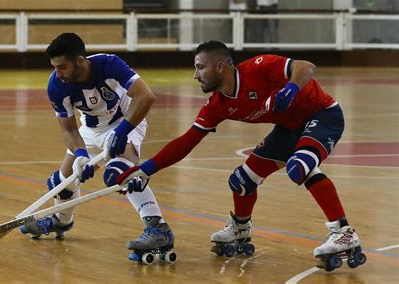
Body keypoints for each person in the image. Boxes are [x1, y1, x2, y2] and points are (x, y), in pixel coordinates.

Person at [117, 40, 365, 266]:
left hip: (322, 115)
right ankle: (240, 227)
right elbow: (187, 141)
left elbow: (306, 66)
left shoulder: (259, 67)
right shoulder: (217, 104)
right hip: (289, 129)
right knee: (242, 180)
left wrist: (290, 88)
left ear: (221, 67)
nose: (195, 75)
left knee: (300, 166)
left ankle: (343, 233)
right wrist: (145, 170)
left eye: (200, 67)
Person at [20, 33, 174, 261]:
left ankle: (158, 228)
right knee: (62, 183)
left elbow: (145, 96)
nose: (58, 73)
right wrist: (81, 155)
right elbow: (69, 130)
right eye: (55, 67)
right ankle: (60, 222)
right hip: (90, 131)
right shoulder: (56, 85)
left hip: (127, 121)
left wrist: (122, 131)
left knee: (119, 173)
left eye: (62, 67)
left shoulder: (109, 64)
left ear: (80, 61)